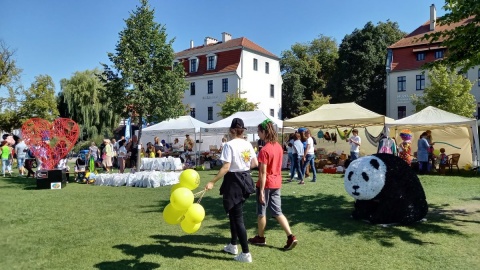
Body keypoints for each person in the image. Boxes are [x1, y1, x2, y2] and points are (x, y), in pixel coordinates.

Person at [204, 118, 258, 263]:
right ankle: (233, 245)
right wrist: (243, 168)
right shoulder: (248, 144)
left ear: (232, 130)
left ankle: (246, 253)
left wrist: (212, 181)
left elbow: (226, 167)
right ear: (242, 130)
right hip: (246, 180)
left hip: (234, 182)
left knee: (237, 218)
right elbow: (255, 163)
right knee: (234, 214)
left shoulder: (229, 145)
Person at [248, 119, 298, 250]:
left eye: (259, 131)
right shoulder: (278, 147)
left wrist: (262, 191)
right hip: (277, 183)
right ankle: (291, 236)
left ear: (264, 132)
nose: (258, 134)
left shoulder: (264, 150)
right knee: (277, 212)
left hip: (266, 184)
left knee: (261, 212)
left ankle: (260, 237)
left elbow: (263, 173)